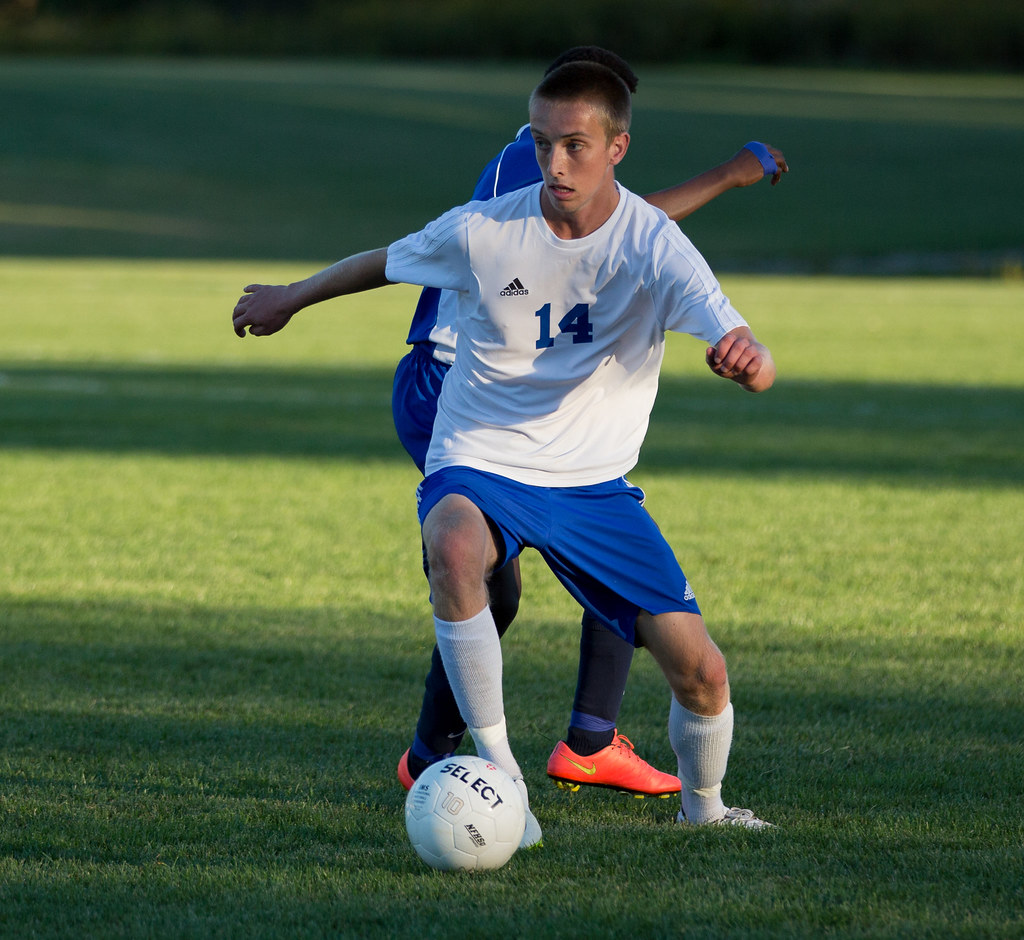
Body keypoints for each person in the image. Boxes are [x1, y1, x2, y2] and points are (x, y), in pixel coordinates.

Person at [232, 54, 778, 846]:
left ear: (616, 148)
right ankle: (503, 780)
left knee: (702, 672)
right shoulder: (486, 227)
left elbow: (742, 343)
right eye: (544, 141)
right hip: (481, 456)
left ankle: (709, 809)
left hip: (592, 484)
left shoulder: (657, 246)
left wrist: (750, 361)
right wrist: (289, 297)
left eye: (575, 147)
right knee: (454, 546)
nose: (554, 163)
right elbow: (381, 263)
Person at [391, 46, 787, 800]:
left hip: (533, 393)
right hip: (449, 384)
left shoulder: (574, 165)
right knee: (482, 577)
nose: (563, 159)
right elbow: (600, 227)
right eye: (558, 138)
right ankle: (444, 751)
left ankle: (587, 739)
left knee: (586, 527)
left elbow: (628, 229)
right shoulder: (524, 163)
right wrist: (731, 175)